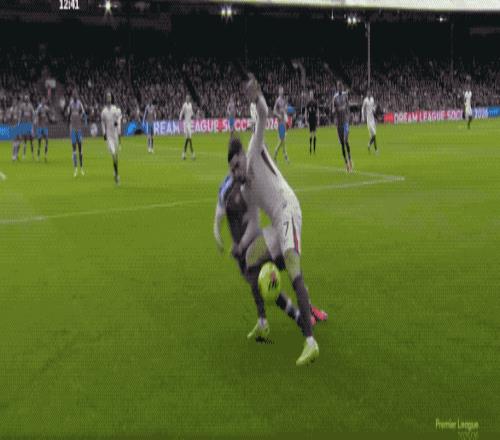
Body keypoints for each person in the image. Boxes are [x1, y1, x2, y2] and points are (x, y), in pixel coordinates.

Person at [238, 76, 319, 366]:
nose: (237, 171)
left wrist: (257, 95)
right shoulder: (245, 190)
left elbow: (262, 115)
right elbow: (253, 223)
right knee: (250, 259)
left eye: (237, 165)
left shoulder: (254, 148)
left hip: (288, 208)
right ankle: (263, 321)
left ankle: (310, 341)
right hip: (275, 221)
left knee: (294, 268)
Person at [214, 165, 328, 339]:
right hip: (246, 249)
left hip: (257, 244)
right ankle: (273, 319)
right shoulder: (227, 187)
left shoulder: (246, 185)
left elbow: (255, 216)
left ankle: (304, 312)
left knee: (279, 272)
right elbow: (220, 213)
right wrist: (220, 234)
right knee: (266, 283)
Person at [101, 91, 122, 185]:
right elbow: (102, 122)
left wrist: (117, 123)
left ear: (111, 98)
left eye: (110, 96)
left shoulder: (115, 109)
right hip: (109, 136)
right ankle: (117, 176)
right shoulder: (104, 112)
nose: (109, 98)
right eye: (107, 96)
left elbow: (119, 117)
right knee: (113, 153)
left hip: (115, 135)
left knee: (116, 154)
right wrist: (104, 133)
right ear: (105, 99)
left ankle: (115, 169)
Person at [333, 81, 352, 172]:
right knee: (342, 144)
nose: (340, 88)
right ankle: (346, 163)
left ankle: (350, 159)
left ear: (342, 87)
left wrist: (348, 116)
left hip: (345, 122)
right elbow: (333, 109)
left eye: (341, 86)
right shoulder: (335, 97)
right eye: (338, 87)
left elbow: (348, 106)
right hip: (339, 123)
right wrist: (334, 112)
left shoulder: (345, 95)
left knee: (345, 140)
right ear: (337, 88)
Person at [67, 90, 86, 177]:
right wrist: (69, 123)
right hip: (73, 128)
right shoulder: (70, 104)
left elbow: (83, 112)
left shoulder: (79, 103)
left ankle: (81, 168)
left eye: (76, 95)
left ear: (77, 96)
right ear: (72, 96)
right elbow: (68, 114)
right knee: (74, 150)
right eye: (73, 95)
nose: (75, 96)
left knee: (80, 149)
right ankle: (75, 169)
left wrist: (80, 118)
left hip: (78, 128)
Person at [273, 86, 289, 163]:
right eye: (280, 90)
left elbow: (285, 109)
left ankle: (276, 154)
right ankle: (284, 156)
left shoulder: (284, 100)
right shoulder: (277, 101)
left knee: (282, 140)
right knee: (282, 140)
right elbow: (274, 111)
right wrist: (278, 115)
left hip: (284, 122)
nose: (281, 92)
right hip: (280, 123)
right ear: (279, 92)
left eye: (282, 90)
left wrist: (285, 110)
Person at [18, 94, 35, 160]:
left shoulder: (31, 106)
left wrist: (33, 123)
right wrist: (19, 123)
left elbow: (33, 114)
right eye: (26, 98)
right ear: (24, 99)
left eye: (27, 98)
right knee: (24, 140)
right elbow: (20, 115)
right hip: (24, 124)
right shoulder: (22, 106)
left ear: (29, 99)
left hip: (29, 124)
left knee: (31, 139)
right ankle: (24, 155)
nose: (26, 99)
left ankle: (33, 154)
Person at [361, 90, 378, 154]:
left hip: (372, 119)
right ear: (367, 93)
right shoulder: (365, 100)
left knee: (373, 136)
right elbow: (362, 109)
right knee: (374, 134)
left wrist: (374, 109)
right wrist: (363, 117)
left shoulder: (372, 99)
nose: (369, 93)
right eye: (368, 93)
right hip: (368, 119)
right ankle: (369, 144)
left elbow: (373, 107)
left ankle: (376, 150)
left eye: (370, 93)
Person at [179, 94, 195, 160]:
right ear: (186, 99)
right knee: (188, 139)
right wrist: (180, 118)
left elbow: (191, 112)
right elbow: (182, 112)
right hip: (186, 123)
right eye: (186, 98)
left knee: (188, 139)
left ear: (189, 99)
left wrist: (193, 116)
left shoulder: (190, 105)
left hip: (190, 123)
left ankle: (184, 154)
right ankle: (192, 154)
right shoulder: (184, 105)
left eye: (188, 98)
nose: (187, 99)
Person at [35, 97, 51, 162]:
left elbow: (49, 114)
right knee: (39, 142)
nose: (43, 101)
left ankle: (45, 155)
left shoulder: (46, 108)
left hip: (45, 126)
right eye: (42, 100)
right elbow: (36, 114)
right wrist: (38, 116)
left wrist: (49, 118)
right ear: (41, 101)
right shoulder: (39, 108)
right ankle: (38, 156)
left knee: (46, 140)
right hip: (39, 126)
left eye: (44, 100)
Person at [304, 90, 319, 155]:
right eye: (310, 94)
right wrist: (305, 120)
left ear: (313, 95)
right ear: (309, 95)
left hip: (314, 118)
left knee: (314, 134)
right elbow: (306, 111)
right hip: (310, 119)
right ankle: (310, 147)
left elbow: (317, 111)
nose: (311, 95)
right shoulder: (308, 103)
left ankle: (314, 150)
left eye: (312, 94)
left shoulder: (315, 102)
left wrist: (318, 119)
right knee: (310, 134)